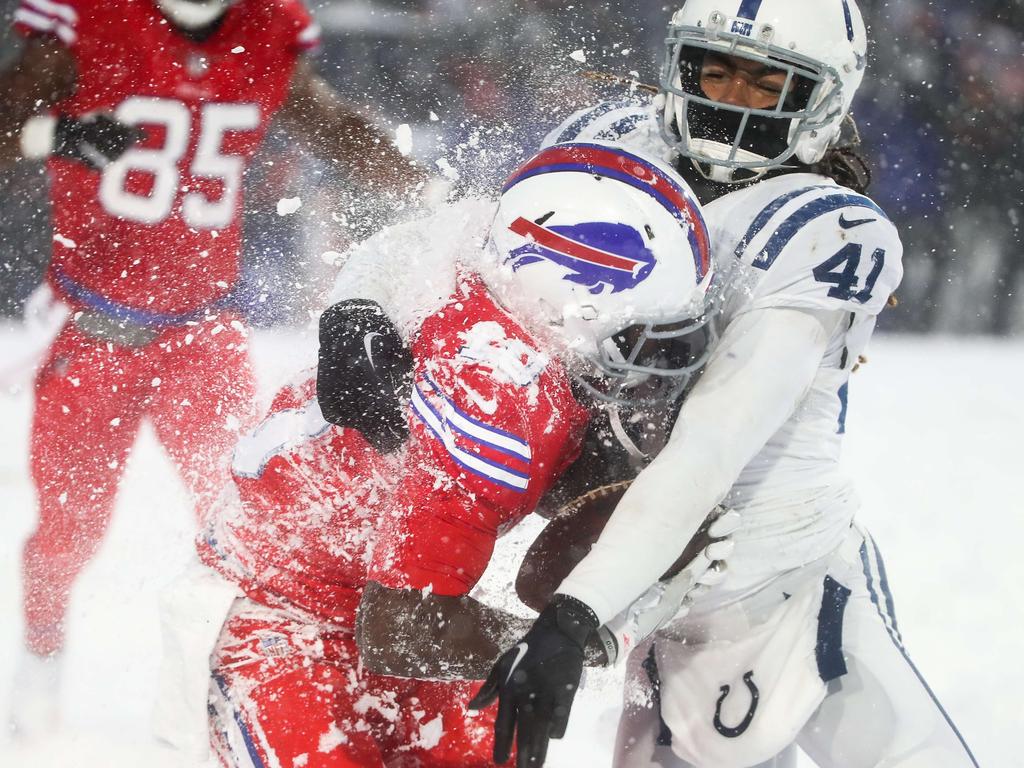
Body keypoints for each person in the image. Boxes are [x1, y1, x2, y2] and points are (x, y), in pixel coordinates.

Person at [472, 1, 980, 767]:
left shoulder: (826, 227)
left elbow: (711, 446)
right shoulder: (612, 143)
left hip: (782, 582)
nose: (726, 101)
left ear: (823, 100)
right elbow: (465, 252)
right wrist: (361, 304)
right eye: (714, 70)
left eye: (764, 82)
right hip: (656, 589)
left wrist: (578, 615)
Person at [197, 142, 723, 767]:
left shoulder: (503, 275)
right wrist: (574, 639)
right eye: (643, 336)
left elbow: (431, 231)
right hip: (295, 624)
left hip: (388, 596)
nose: (657, 361)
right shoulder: (497, 406)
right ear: (580, 304)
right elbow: (402, 631)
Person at [0, 0, 429, 734]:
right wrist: (56, 132)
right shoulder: (91, 19)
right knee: (70, 528)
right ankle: (40, 665)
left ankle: (232, 688)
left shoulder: (266, 26)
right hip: (93, 325)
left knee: (244, 521)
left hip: (202, 330)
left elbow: (333, 128)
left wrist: (432, 198)